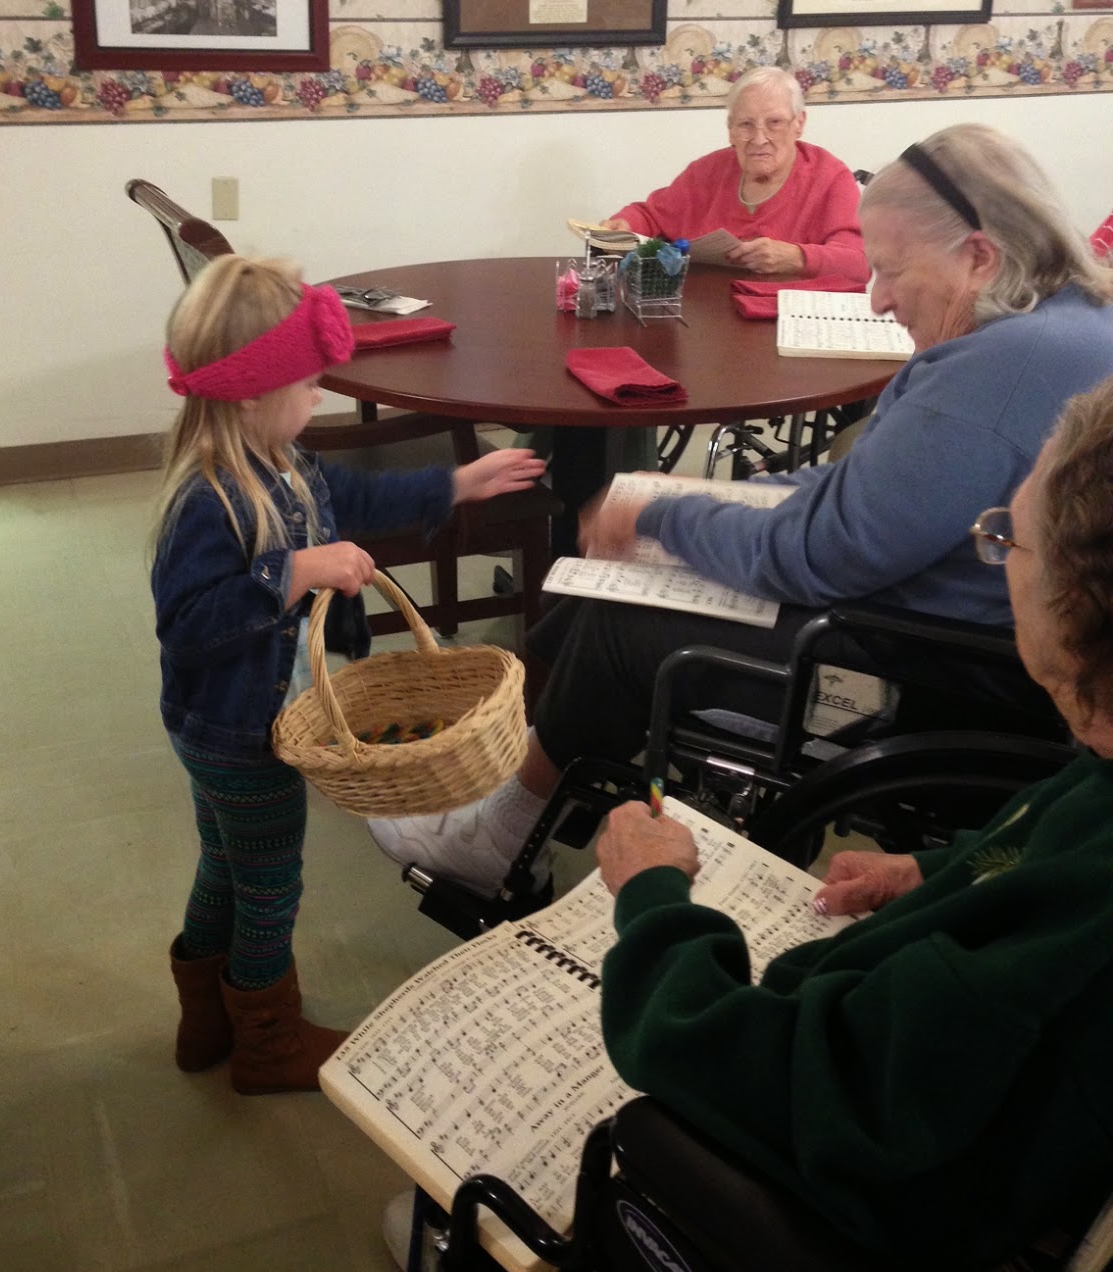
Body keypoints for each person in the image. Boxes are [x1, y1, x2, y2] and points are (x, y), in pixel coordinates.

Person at [369, 123, 1113, 897]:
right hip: (951, 634)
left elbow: (824, 553)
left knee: (622, 621)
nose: (878, 297)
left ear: (980, 256)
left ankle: (499, 835)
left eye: (892, 270)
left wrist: (662, 516)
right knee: (586, 589)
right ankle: (533, 799)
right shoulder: (1062, 323)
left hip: (928, 670)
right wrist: (696, 499)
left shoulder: (998, 371)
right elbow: (863, 489)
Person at [596, 374, 1113, 1272]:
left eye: (1005, 539)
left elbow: (763, 1075)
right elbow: (1036, 854)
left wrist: (653, 898)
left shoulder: (1071, 937)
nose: (994, 554)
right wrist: (940, 872)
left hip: (867, 1212)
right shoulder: (1098, 770)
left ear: (1078, 609)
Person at [153, 254, 544, 1094]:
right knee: (271, 884)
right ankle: (267, 1043)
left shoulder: (282, 459)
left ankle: (206, 1022)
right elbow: (186, 627)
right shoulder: (209, 499)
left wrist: (456, 484)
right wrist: (292, 573)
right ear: (251, 392)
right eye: (306, 383)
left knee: (225, 863)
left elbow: (359, 500)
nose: (319, 397)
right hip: (237, 736)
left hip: (227, 726)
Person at [601, 65, 869, 283]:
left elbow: (859, 264)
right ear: (730, 129)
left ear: (799, 123)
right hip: (708, 316)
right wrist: (626, 224)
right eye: (746, 125)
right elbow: (652, 215)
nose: (759, 139)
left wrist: (798, 257)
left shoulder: (830, 177)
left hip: (788, 321)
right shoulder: (708, 171)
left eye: (774, 123)